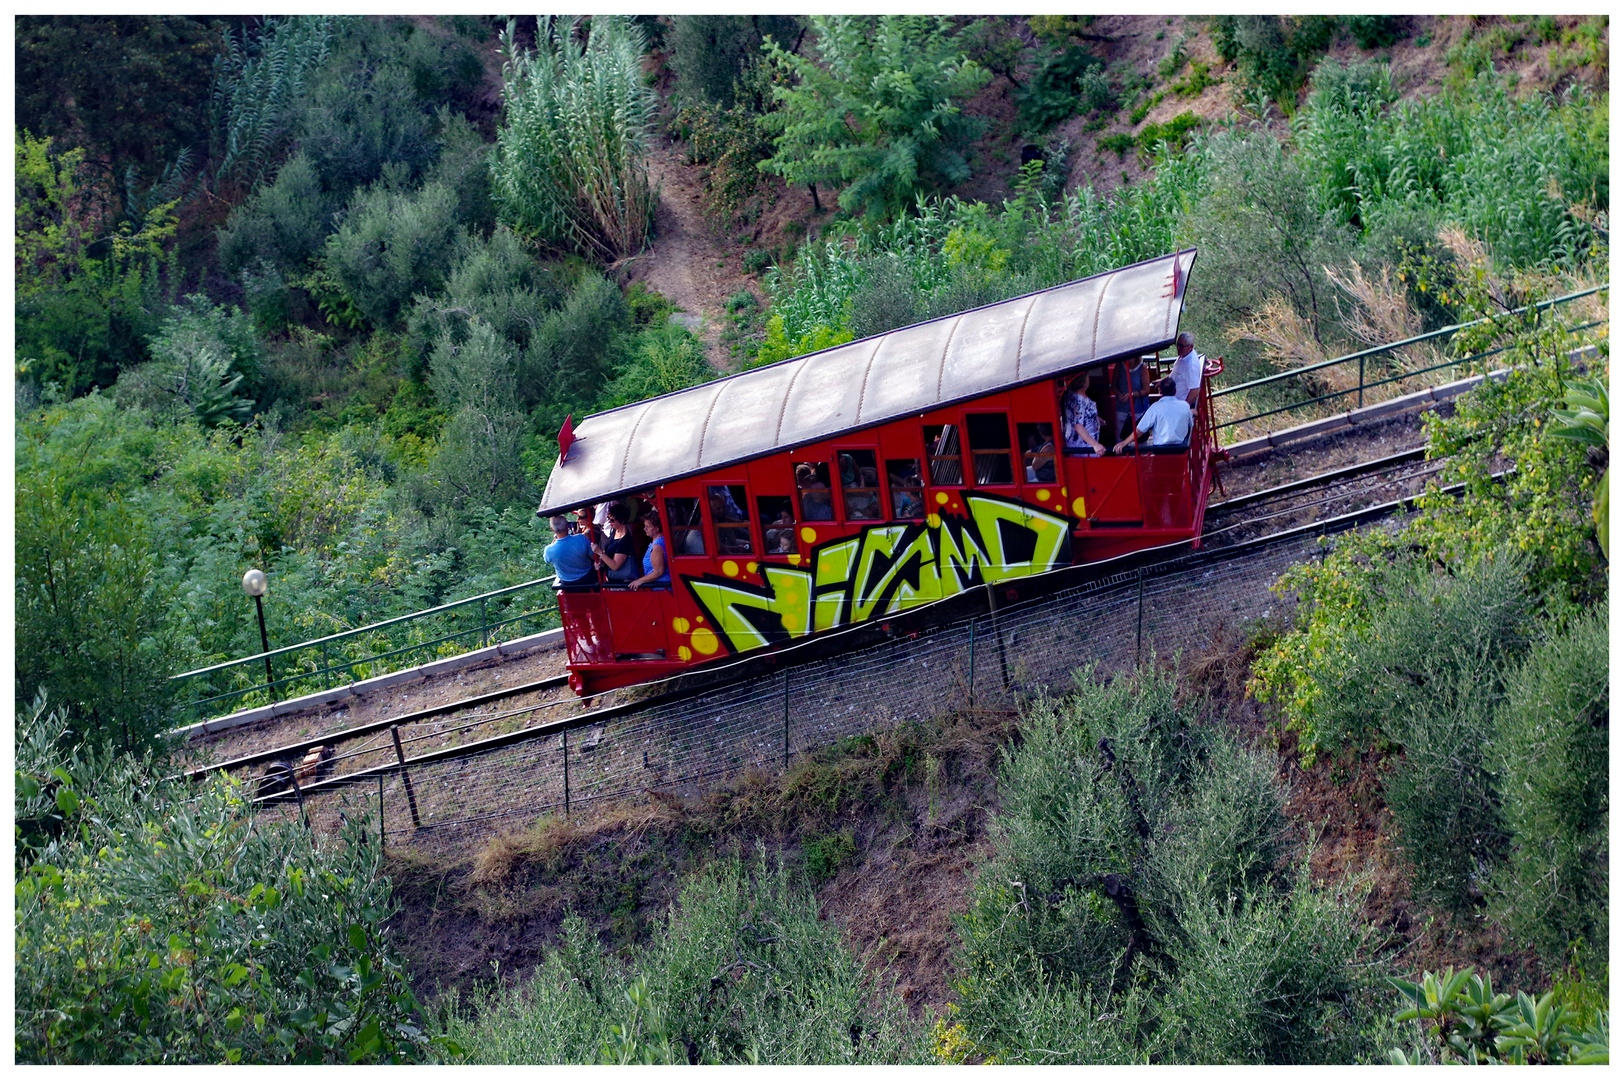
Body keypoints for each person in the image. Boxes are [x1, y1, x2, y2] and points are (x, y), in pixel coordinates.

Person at [1114, 377, 1193, 453]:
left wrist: (1124, 443)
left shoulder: (1155, 407)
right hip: (1181, 449)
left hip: (1161, 450)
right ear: (1175, 391)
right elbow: (1190, 424)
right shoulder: (1185, 406)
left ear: (1160, 391)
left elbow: (1139, 430)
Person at [544, 514, 597, 589]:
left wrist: (555, 538)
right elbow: (593, 557)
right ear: (567, 526)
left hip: (566, 583)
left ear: (552, 529)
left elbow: (547, 561)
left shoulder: (549, 550)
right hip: (588, 578)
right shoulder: (582, 538)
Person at [591, 501, 638, 584]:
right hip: (613, 579)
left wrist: (600, 553)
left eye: (612, 520)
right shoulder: (614, 532)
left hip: (623, 582)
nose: (609, 522)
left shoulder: (625, 540)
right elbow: (609, 552)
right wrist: (601, 561)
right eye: (608, 519)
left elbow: (615, 565)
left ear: (621, 520)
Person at [1061, 376, 1108, 455]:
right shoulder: (1078, 401)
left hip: (1083, 443)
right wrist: (1095, 445)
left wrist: (1095, 418)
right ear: (1083, 383)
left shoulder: (1071, 394)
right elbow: (1078, 425)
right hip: (1083, 446)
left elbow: (1080, 415)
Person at [628, 510, 671, 590]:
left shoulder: (657, 546)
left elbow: (658, 571)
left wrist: (640, 581)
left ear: (657, 527)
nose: (645, 529)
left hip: (662, 588)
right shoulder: (663, 540)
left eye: (648, 526)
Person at [1113, 355, 1151, 441]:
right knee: (1120, 435)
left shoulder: (1142, 367)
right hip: (1121, 407)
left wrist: (1132, 394)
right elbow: (1114, 385)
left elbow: (1146, 390)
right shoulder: (1119, 366)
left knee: (1139, 437)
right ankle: (1121, 453)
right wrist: (1119, 394)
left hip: (1137, 408)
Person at [1171, 331, 1205, 408]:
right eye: (1177, 345)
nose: (1178, 348)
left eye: (1181, 346)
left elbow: (1195, 390)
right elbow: (1176, 373)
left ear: (1191, 347)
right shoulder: (1184, 356)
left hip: (1178, 403)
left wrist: (1184, 407)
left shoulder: (1191, 366)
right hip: (1173, 400)